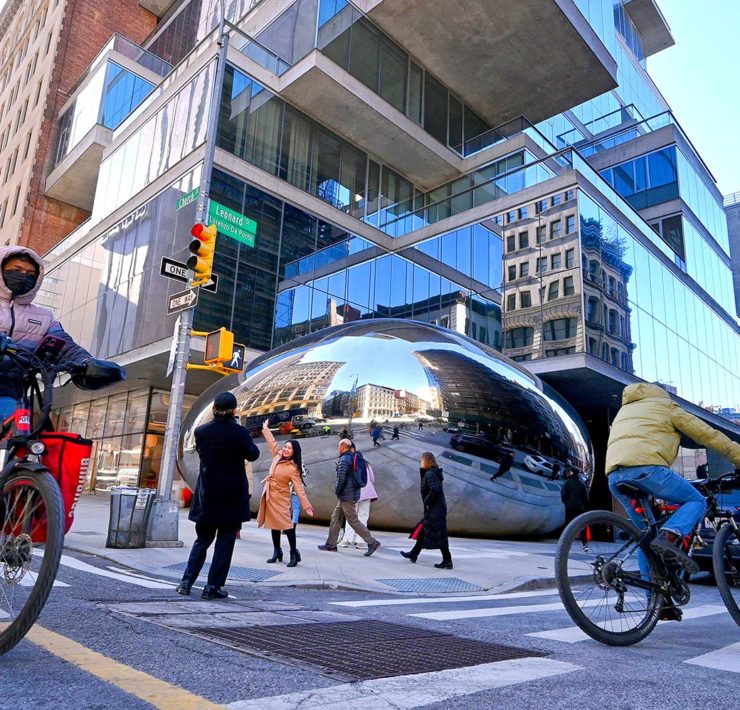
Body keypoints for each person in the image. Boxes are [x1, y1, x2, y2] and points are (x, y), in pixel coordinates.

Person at [607, 383, 740, 574]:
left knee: (645, 537)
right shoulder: (665, 405)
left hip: (614, 475)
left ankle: (656, 601)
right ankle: (669, 537)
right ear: (663, 393)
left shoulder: (624, 411)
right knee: (696, 500)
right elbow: (708, 435)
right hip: (648, 470)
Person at [177, 392, 260, 599]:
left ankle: (186, 582)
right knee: (225, 543)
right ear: (234, 410)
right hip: (231, 496)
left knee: (202, 540)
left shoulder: (202, 432)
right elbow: (253, 454)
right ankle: (212, 587)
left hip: (208, 495)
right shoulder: (239, 433)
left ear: (214, 409)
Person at [0, 247, 97, 421]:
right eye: (16, 271)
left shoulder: (44, 317)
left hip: (11, 395)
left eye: (30, 274)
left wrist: (86, 362)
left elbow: (63, 344)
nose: (24, 276)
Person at [258, 421, 314, 567]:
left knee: (287, 527)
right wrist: (265, 429)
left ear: (294, 451)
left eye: (289, 448)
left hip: (282, 498)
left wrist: (306, 505)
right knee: (273, 525)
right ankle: (277, 551)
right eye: (286, 447)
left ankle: (293, 553)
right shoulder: (278, 455)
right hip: (270, 495)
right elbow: (273, 443)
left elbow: (299, 488)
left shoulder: (293, 468)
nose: (286, 449)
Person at [318, 439, 381, 555]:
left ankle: (372, 542)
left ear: (343, 446)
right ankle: (331, 544)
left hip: (347, 496)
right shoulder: (353, 458)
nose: (338, 449)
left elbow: (341, 479)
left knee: (353, 520)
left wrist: (337, 491)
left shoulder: (344, 459)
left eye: (339, 446)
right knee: (335, 516)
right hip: (350, 494)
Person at [401, 452, 452, 569]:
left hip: (435, 509)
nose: (420, 462)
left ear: (427, 461)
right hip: (436, 508)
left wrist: (427, 502)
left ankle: (447, 560)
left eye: (422, 460)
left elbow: (435, 490)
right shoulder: (431, 473)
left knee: (439, 534)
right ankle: (414, 553)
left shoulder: (429, 474)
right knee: (423, 530)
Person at [339, 459, 377, 550]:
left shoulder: (349, 463)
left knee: (351, 517)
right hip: (367, 492)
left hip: (354, 493)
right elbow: (372, 479)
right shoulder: (367, 465)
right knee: (363, 517)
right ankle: (361, 542)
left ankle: (347, 540)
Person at [560, 468, 589, 551]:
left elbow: (563, 495)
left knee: (568, 525)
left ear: (572, 473)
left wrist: (566, 503)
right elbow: (585, 498)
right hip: (579, 507)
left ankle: (566, 544)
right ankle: (585, 544)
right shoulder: (581, 484)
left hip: (569, 507)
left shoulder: (567, 483)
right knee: (581, 524)